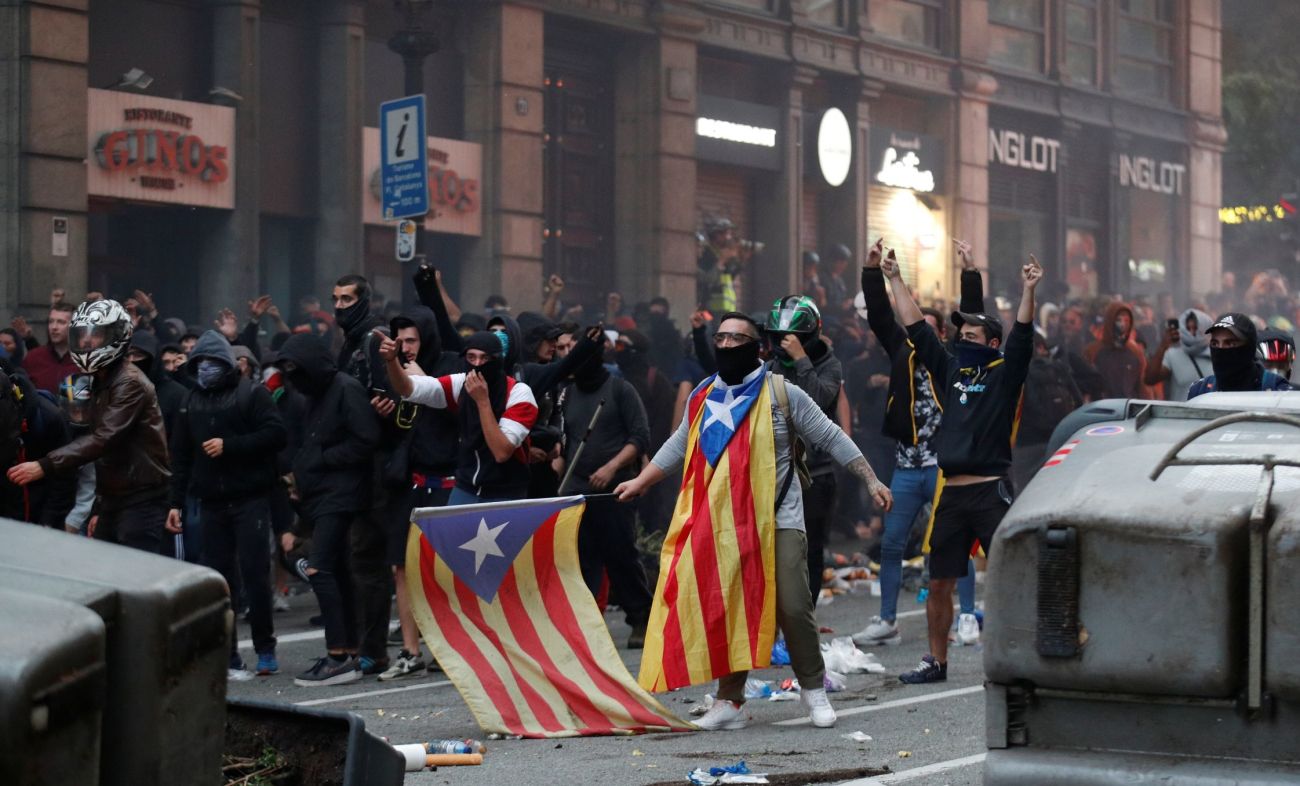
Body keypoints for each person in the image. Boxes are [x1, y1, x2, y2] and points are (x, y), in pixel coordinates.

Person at [613, 313, 893, 731]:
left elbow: (831, 436)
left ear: (758, 348)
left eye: (736, 339)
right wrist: (641, 480)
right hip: (724, 523)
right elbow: (679, 444)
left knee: (794, 605)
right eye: (720, 338)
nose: (726, 346)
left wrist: (871, 479)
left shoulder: (781, 392)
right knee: (730, 607)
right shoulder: (705, 396)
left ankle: (813, 689)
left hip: (779, 518)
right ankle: (729, 700)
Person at [882, 249, 1040, 685]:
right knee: (938, 582)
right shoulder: (949, 370)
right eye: (961, 332)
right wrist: (894, 278)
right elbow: (916, 327)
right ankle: (936, 661)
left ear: (991, 344)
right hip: (951, 494)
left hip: (991, 492)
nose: (963, 338)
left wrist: (1029, 289)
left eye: (973, 334)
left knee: (1012, 579)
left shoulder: (1005, 374)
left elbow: (1023, 334)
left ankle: (1021, 659)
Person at [854, 238, 985, 648]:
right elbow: (879, 314)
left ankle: (966, 616)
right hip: (907, 466)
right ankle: (887, 620)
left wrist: (969, 272)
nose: (918, 334)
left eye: (928, 328)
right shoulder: (900, 351)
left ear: (943, 335)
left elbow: (972, 316)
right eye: (915, 327)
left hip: (944, 467)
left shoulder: (949, 359)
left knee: (953, 545)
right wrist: (873, 272)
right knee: (892, 543)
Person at [167, 331, 287, 681]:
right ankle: (229, 653)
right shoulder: (190, 402)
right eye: (200, 364)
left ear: (228, 365)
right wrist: (175, 502)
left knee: (254, 575)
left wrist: (231, 446)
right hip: (211, 503)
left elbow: (276, 435)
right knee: (220, 582)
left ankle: (265, 648)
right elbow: (181, 457)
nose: (206, 369)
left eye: (212, 363)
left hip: (250, 499)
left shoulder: (252, 394)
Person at [7, 299, 171, 552]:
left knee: (136, 580)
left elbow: (104, 438)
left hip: (141, 500)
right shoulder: (99, 378)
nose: (85, 342)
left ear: (116, 336)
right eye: (82, 335)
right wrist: (99, 506)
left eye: (95, 336)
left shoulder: (129, 382)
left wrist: (46, 464)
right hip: (114, 498)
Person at [275, 333, 380, 687]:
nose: (294, 377)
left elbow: (366, 439)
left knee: (319, 568)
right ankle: (347, 649)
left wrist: (321, 460)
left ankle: (338, 656)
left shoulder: (344, 389)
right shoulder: (313, 395)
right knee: (335, 570)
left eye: (297, 368)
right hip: (320, 495)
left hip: (342, 492)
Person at [375, 306, 462, 681]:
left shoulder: (449, 367)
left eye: (412, 340)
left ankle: (449, 646)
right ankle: (410, 651)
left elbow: (455, 416)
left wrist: (421, 379)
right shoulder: (393, 372)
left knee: (444, 569)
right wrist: (387, 411)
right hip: (410, 483)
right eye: (400, 341)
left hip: (446, 484)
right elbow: (399, 430)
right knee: (402, 567)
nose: (406, 347)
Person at [552, 338, 653, 647]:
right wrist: (557, 456)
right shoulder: (566, 394)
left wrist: (611, 468)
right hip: (577, 490)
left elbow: (640, 437)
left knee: (621, 555)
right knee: (581, 559)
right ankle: (584, 624)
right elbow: (562, 436)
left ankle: (641, 618)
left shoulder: (621, 391)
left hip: (615, 491)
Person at [382, 331, 539, 504]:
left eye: (484, 358)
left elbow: (501, 452)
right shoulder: (461, 384)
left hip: (505, 492)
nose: (477, 364)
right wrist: (392, 361)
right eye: (471, 357)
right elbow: (409, 389)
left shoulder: (519, 393)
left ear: (497, 360)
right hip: (466, 487)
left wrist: (483, 402)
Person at [762, 295, 843, 600]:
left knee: (811, 545)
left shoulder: (829, 364)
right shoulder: (768, 366)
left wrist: (801, 360)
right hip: (776, 471)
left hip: (816, 473)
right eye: (779, 338)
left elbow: (819, 403)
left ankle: (806, 614)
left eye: (791, 339)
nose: (784, 344)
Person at [1187, 313, 1293, 397]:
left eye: (1230, 343)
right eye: (1215, 343)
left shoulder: (1276, 388)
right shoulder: (1200, 390)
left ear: (1248, 348)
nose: (1220, 350)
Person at [1143, 309, 1214, 402]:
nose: (1191, 333)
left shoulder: (1216, 354)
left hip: (1212, 415)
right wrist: (1163, 346)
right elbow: (1150, 379)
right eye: (1188, 329)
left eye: (1195, 328)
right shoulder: (1172, 355)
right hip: (1181, 415)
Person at [1083, 302, 1146, 399]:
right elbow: (1085, 385)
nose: (1122, 324)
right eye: (1118, 320)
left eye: (1126, 321)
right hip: (1101, 408)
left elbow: (1142, 386)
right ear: (1110, 321)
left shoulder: (1136, 352)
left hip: (1128, 408)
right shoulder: (1092, 351)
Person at [21, 302, 77, 394]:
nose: (54, 327)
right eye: (51, 321)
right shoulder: (33, 358)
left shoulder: (83, 361)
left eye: (61, 322)